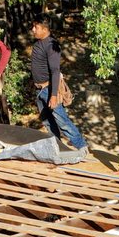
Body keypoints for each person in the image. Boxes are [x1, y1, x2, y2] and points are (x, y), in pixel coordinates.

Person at [30, 14, 89, 158]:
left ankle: (81, 146)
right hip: (39, 90)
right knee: (48, 122)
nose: (33, 30)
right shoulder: (38, 43)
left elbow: (55, 71)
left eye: (36, 27)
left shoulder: (52, 45)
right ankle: (56, 147)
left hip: (49, 90)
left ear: (44, 29)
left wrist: (54, 95)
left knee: (62, 120)